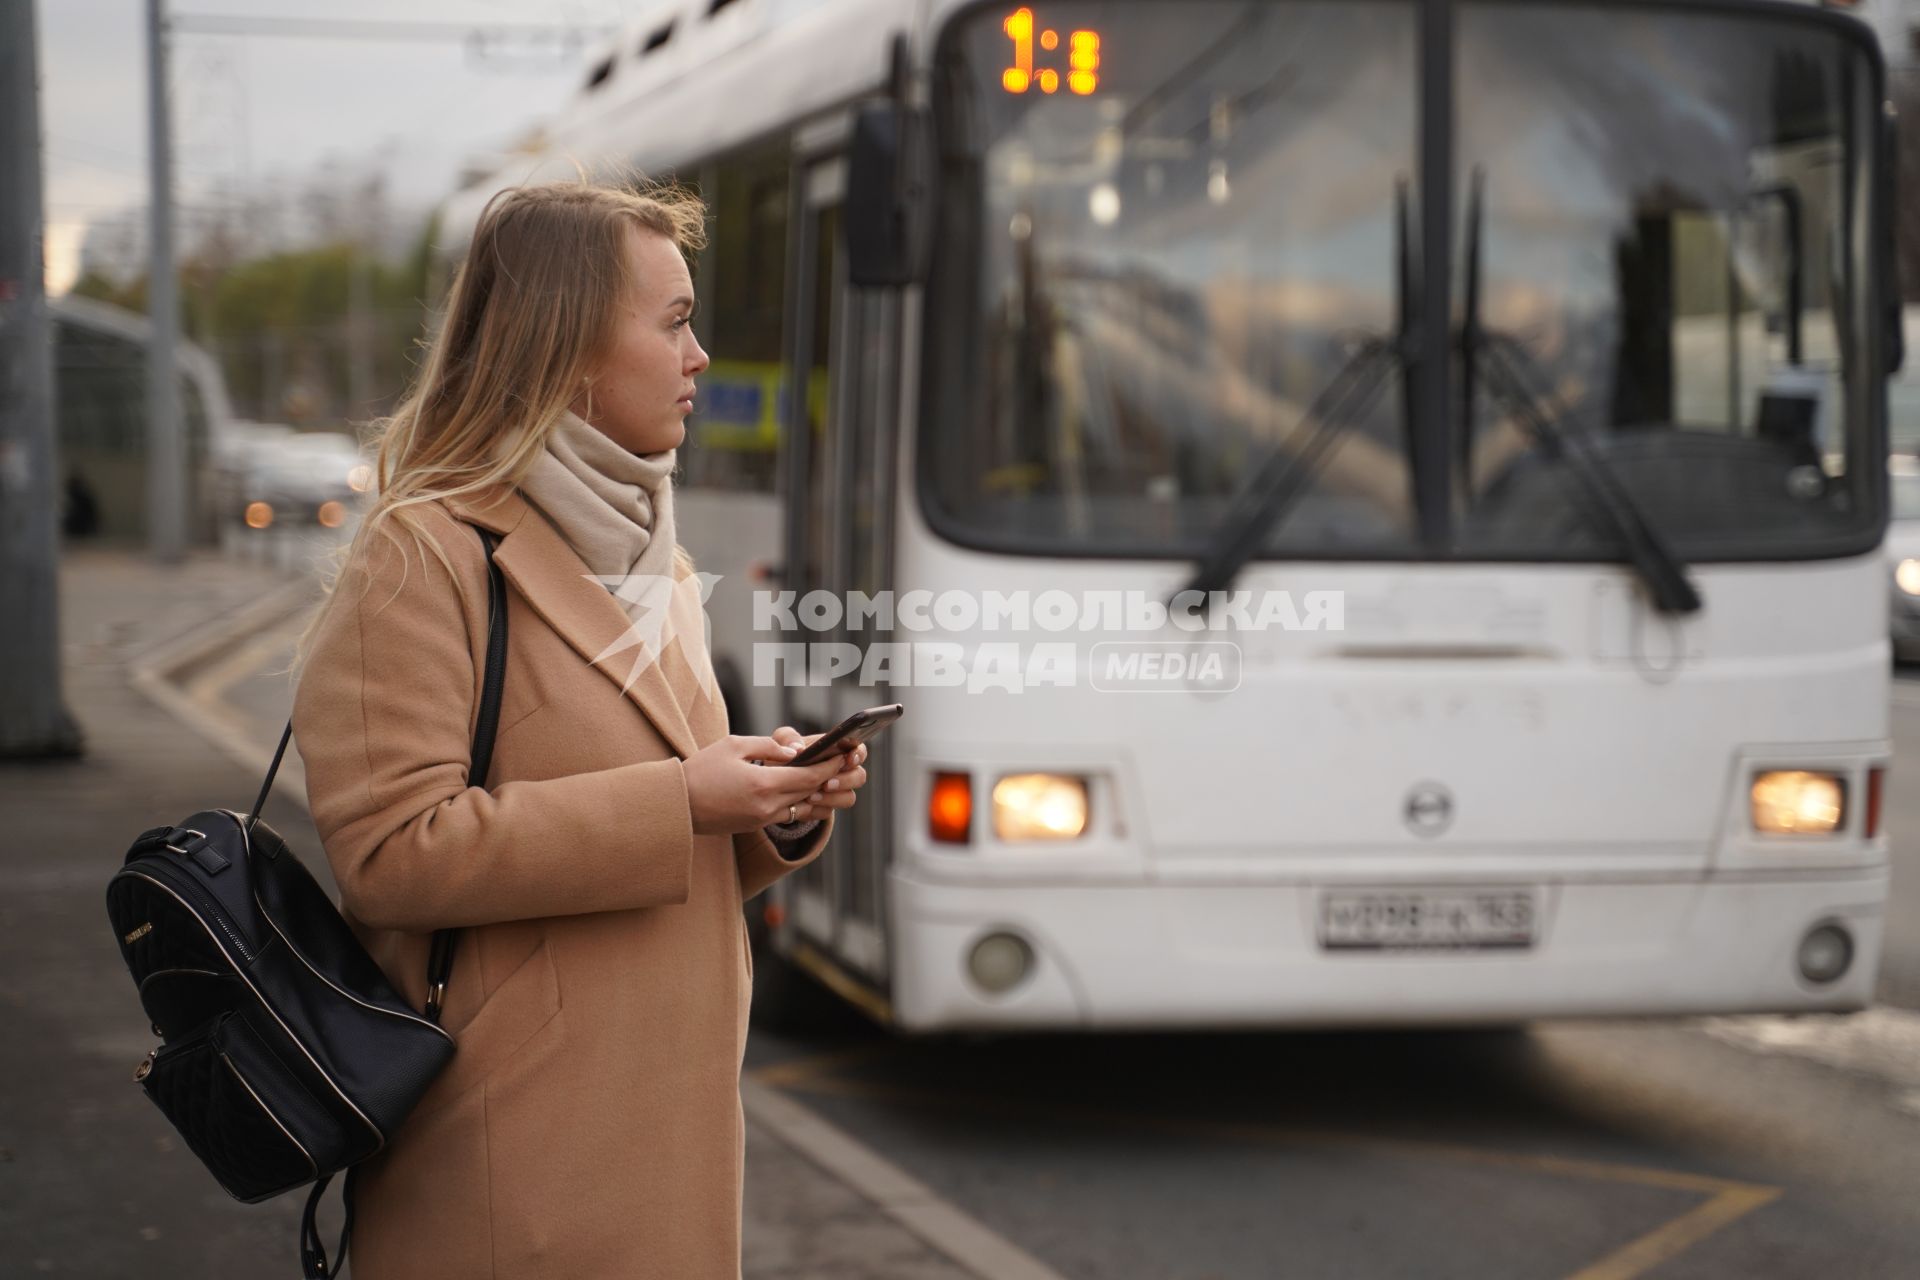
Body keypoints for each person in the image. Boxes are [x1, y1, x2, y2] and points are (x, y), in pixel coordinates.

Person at [289, 178, 869, 1278]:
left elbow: (679, 845)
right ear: (569, 345)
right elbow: (388, 856)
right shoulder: (423, 553)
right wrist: (685, 797)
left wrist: (776, 807)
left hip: (668, 1138)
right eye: (676, 322)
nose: (701, 356)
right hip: (512, 1150)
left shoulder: (660, 556)